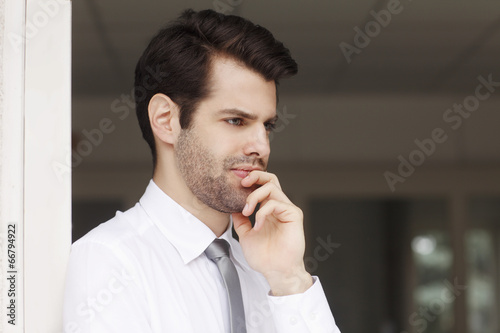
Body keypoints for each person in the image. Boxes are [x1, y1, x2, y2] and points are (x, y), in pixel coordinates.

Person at [63, 9, 341, 333]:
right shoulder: (109, 260)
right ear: (166, 120)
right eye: (236, 121)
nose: (261, 147)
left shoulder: (267, 273)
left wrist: (289, 277)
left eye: (267, 126)